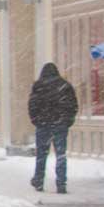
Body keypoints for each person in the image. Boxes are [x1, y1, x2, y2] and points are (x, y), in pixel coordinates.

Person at [28, 62, 78, 194]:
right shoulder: (65, 86)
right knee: (60, 155)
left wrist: (37, 120)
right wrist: (67, 121)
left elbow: (32, 106)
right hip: (60, 125)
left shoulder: (39, 86)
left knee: (41, 155)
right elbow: (72, 106)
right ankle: (61, 183)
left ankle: (39, 180)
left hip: (43, 125)